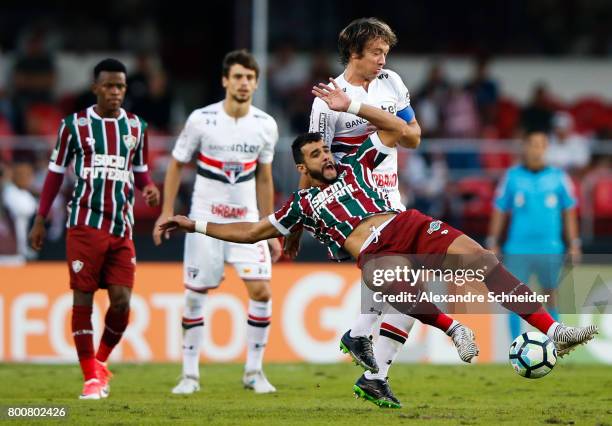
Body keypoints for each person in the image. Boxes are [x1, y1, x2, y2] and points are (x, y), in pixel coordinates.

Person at [159, 81, 598, 408]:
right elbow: (250, 232)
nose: (327, 157)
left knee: (482, 260)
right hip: (374, 251)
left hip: (408, 223)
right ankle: (452, 329)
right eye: (317, 156)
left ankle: (554, 331)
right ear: (301, 167)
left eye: (326, 152)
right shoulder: (298, 206)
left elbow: (400, 132)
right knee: (396, 283)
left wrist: (352, 105)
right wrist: (194, 224)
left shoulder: (354, 162)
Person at [286, 17, 421, 398]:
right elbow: (314, 162)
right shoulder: (327, 102)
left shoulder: (392, 83)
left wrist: (361, 109)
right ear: (354, 52)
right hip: (354, 204)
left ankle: (371, 364)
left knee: (413, 287)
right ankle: (363, 343)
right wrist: (298, 222)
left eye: (385, 52)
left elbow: (413, 137)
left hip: (390, 196)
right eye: (376, 52)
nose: (382, 59)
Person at [28, 58, 160, 399]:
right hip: (85, 224)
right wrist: (41, 218)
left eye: (120, 86)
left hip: (122, 225)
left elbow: (141, 170)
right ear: (95, 88)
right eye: (109, 86)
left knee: (121, 301)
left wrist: (148, 186)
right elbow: (55, 174)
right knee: (83, 298)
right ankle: (90, 378)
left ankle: (100, 363)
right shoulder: (73, 125)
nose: (115, 92)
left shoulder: (137, 127)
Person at [153, 50, 281, 395]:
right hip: (204, 222)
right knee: (196, 296)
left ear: (256, 82)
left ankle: (254, 372)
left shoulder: (265, 124)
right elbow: (177, 164)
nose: (244, 83)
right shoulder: (201, 120)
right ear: (225, 80)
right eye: (237, 76)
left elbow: (265, 178)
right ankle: (190, 375)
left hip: (248, 225)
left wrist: (270, 227)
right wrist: (167, 212)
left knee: (262, 291)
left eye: (250, 78)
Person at [488, 131, 581, 339]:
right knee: (514, 297)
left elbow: (569, 211)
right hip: (517, 248)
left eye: (541, 145)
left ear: (546, 148)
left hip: (550, 247)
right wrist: (493, 241)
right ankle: (515, 346)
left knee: (551, 296)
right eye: (532, 144)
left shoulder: (559, 177)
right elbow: (499, 209)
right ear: (525, 147)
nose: (536, 149)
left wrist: (574, 243)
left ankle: (558, 342)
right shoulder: (512, 176)